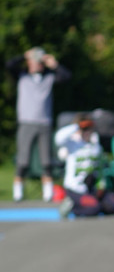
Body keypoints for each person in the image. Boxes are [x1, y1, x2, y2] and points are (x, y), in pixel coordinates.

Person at [6, 47, 71, 203]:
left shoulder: (49, 77)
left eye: (39, 62)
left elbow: (66, 77)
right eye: (33, 61)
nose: (36, 64)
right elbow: (9, 65)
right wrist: (24, 56)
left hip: (44, 123)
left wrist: (54, 64)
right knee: (23, 160)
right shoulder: (22, 76)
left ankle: (48, 193)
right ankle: (18, 193)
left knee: (46, 161)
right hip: (26, 122)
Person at [54, 115, 114, 218]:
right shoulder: (72, 144)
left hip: (90, 188)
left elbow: (100, 169)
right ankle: (72, 205)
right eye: (85, 129)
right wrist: (77, 126)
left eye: (90, 128)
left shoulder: (96, 146)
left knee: (113, 206)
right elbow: (58, 138)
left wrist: (101, 186)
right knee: (93, 209)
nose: (87, 132)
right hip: (75, 189)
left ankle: (94, 203)